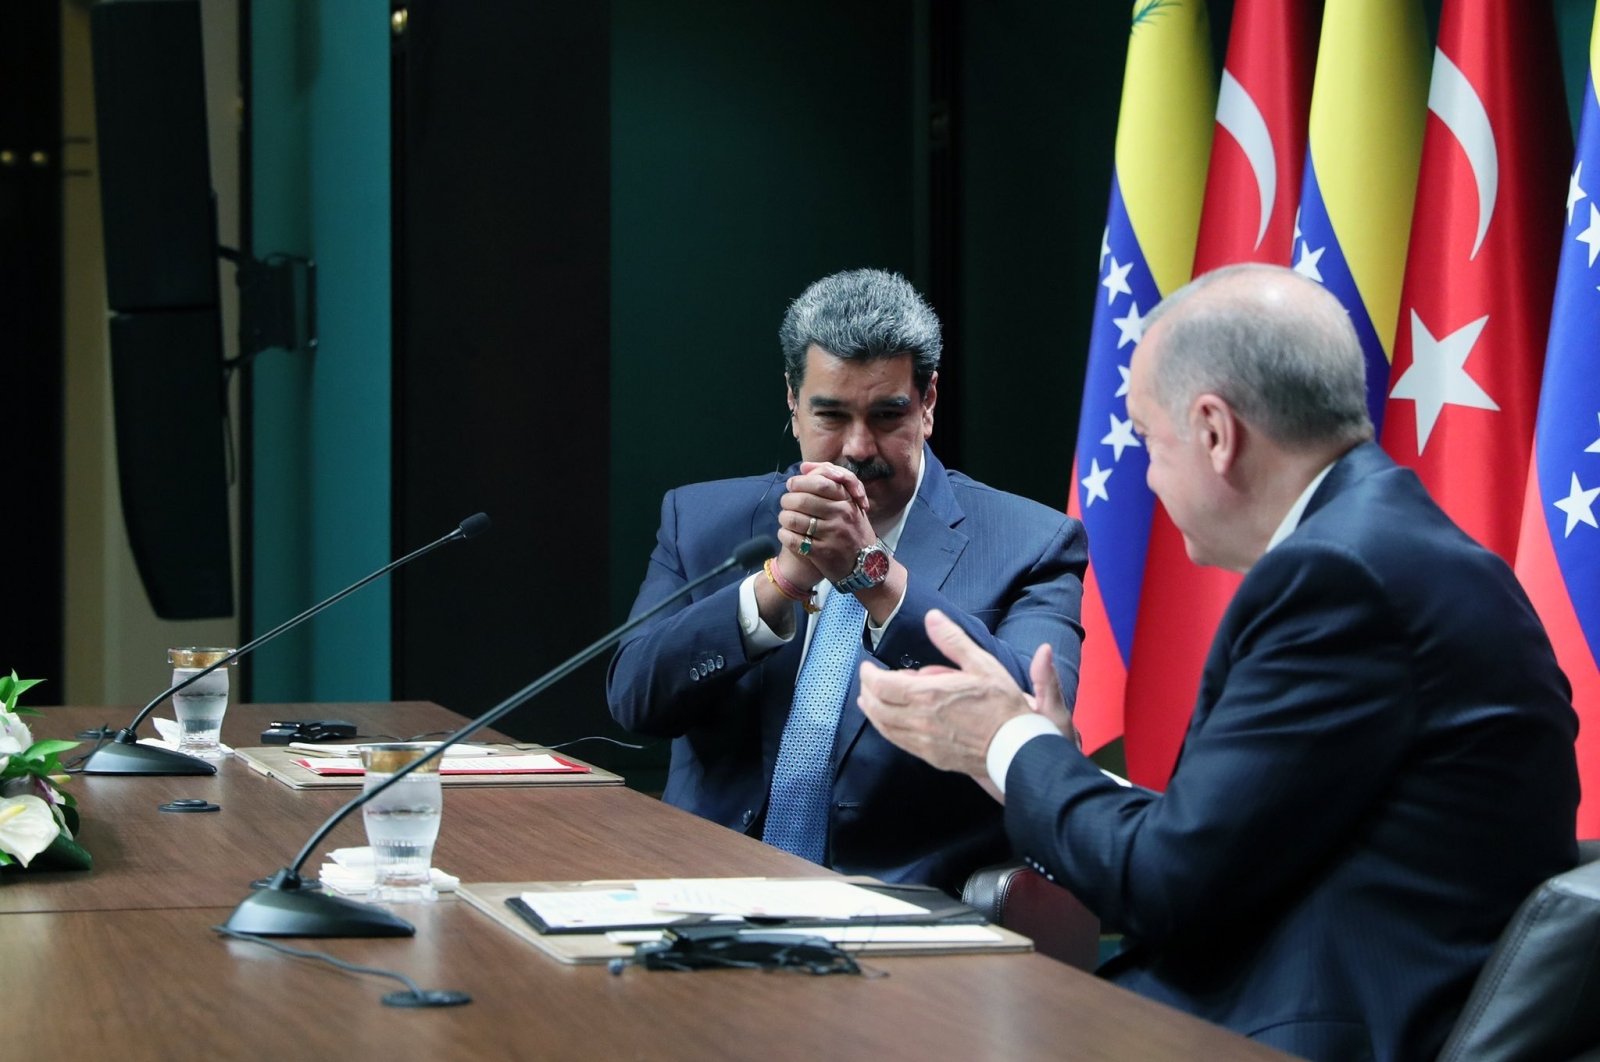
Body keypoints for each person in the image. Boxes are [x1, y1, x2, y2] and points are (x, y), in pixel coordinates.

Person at [857, 263, 1580, 1060]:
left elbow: (1166, 883)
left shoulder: (1340, 579)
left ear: (1214, 432)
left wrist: (1004, 742)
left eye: (1146, 440)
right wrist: (1028, 752)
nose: (1149, 476)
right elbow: (1228, 836)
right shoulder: (1389, 548)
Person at [607, 268, 1087, 895]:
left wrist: (872, 574)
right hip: (705, 896)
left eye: (888, 415)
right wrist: (778, 583)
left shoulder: (1032, 542)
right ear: (791, 401)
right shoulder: (699, 521)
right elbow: (635, 697)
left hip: (905, 914)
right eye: (830, 415)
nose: (858, 448)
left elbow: (1031, 725)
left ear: (929, 402)